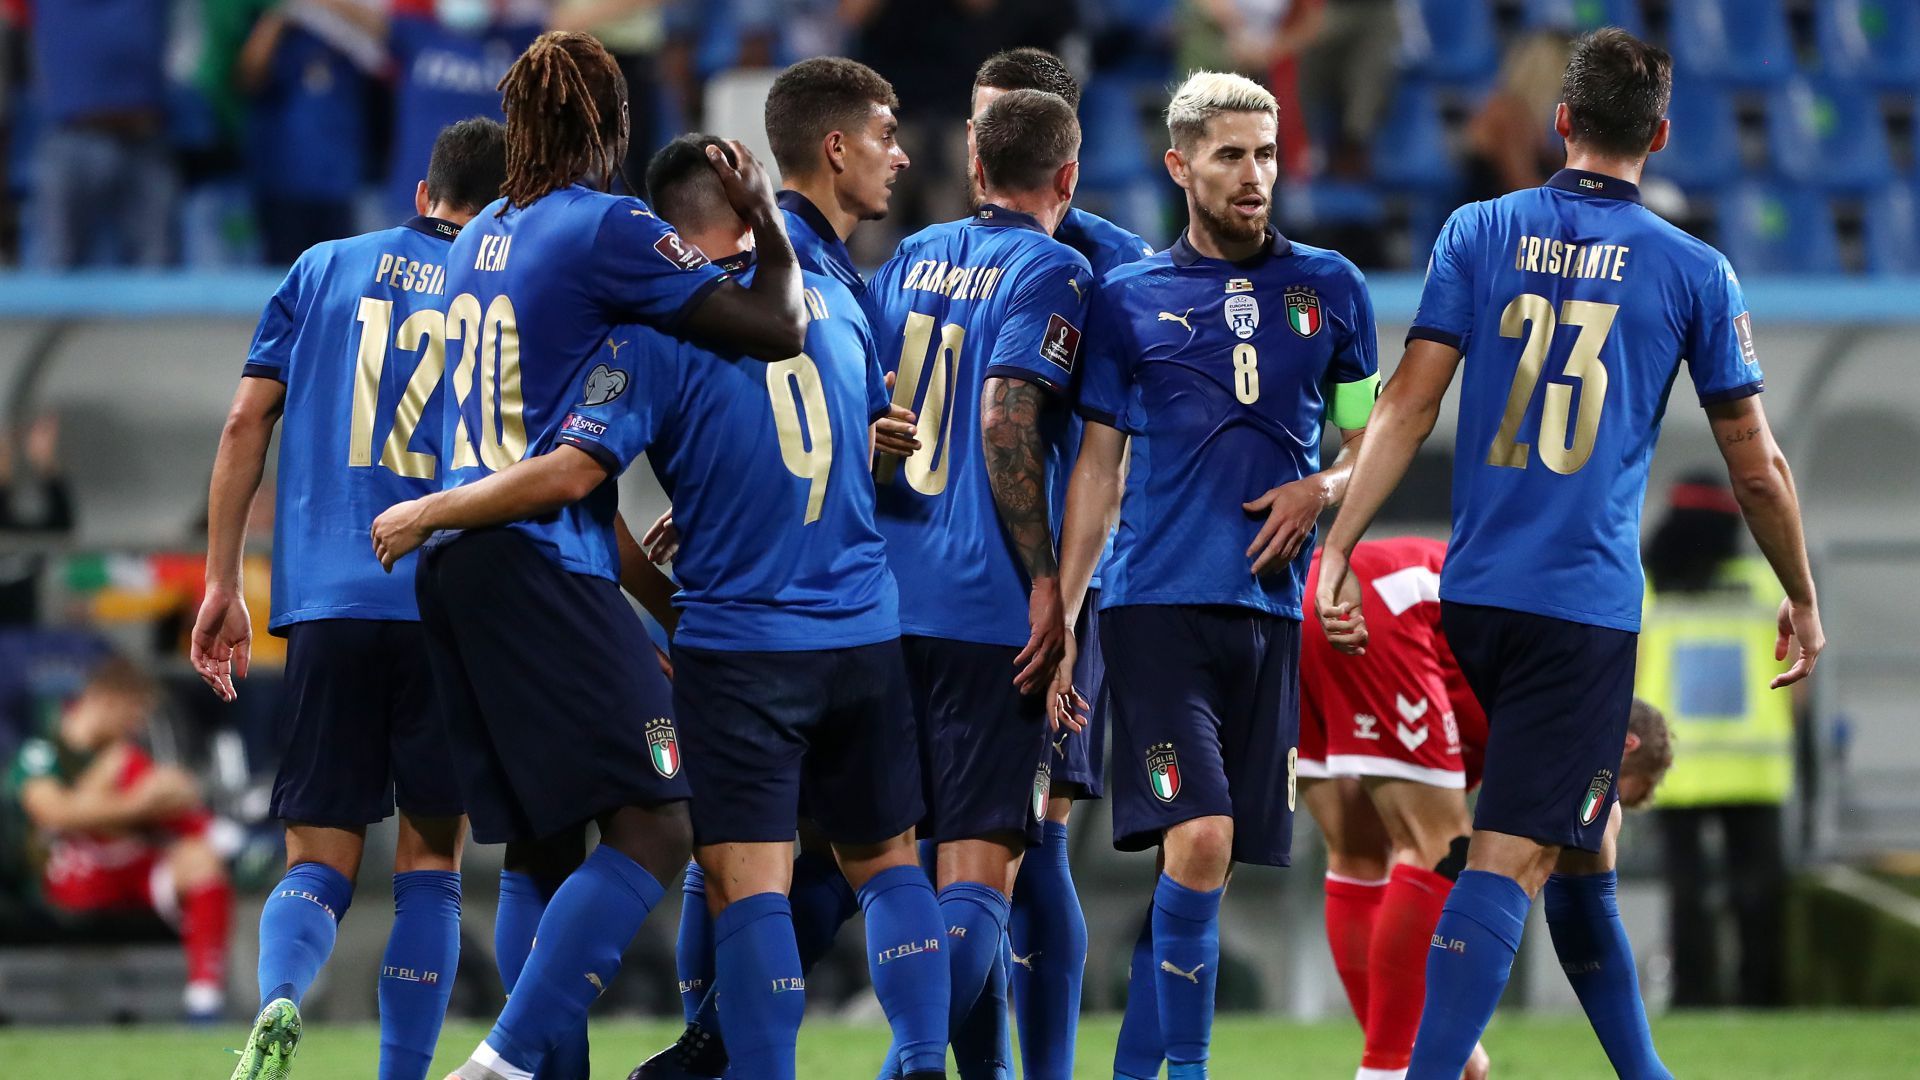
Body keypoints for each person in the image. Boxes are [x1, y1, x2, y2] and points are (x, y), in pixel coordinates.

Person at [1314, 29, 1824, 1080]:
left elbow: (1407, 405)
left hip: (1473, 592)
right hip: (1577, 607)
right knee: (1510, 858)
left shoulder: (1477, 229)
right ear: (1661, 136)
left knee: (1585, 851)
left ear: (1561, 122)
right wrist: (1802, 594)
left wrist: (1339, 545)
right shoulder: (1694, 269)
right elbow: (1758, 467)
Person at [365, 30, 807, 1080]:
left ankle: (536, 1072)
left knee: (544, 843)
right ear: (608, 123)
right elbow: (774, 325)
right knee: (658, 819)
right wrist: (767, 220)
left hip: (463, 569)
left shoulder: (481, 234)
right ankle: (504, 1062)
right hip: (536, 560)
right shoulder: (608, 224)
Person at [605, 134, 953, 1080]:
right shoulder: (834, 299)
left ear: (670, 229)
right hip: (863, 630)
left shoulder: (664, 324)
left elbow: (585, 488)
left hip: (742, 638)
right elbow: (864, 452)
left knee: (744, 878)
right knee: (887, 862)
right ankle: (925, 1061)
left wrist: (668, 600)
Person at [1051, 70, 1377, 1080]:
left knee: (1209, 861)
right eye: (1231, 154)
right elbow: (1096, 470)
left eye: (1266, 154)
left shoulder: (1333, 288)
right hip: (1153, 608)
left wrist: (1323, 492)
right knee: (1198, 839)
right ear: (1179, 165)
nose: (1254, 174)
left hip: (1271, 615)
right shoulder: (1126, 299)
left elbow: (1370, 439)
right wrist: (1063, 616)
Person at [191, 116, 507, 1080]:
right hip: (449, 605)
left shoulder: (323, 267)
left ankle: (281, 995)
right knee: (431, 868)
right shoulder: (507, 289)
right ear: (508, 208)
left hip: (330, 603)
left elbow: (245, 421)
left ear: (422, 193)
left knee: (315, 859)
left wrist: (221, 581)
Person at [864, 86, 1090, 1080]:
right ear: (1068, 177)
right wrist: (1045, 580)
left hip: (884, 601)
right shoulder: (1055, 268)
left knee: (910, 866)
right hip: (987, 610)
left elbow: (862, 398)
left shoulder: (911, 256)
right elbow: (1007, 417)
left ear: (975, 167)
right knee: (982, 868)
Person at [962, 45, 1155, 1080]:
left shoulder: (1112, 267)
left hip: (1064, 590)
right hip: (957, 585)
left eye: (1004, 123)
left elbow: (1124, 443)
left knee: (1033, 837)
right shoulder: (952, 248)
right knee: (965, 845)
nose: (985, 146)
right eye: (978, 123)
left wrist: (1073, 597)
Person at [1297, 537, 1488, 1080]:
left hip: (1304, 598)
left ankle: (1394, 1057)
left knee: (1357, 851)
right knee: (1440, 845)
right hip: (1379, 607)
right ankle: (1388, 1067)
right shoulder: (1558, 717)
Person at [1639, 475, 1796, 1008]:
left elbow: (1628, 674)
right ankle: (1763, 999)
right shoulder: (1765, 585)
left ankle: (1694, 998)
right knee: (1759, 894)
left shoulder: (1650, 588)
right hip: (1755, 769)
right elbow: (1798, 683)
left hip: (1676, 768)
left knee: (1686, 895)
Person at [6, 657, 234, 1022]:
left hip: (128, 863)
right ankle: (216, 831)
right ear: (107, 700)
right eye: (133, 712)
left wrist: (139, 800)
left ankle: (203, 1000)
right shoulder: (44, 752)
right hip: (68, 871)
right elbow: (54, 812)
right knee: (125, 766)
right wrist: (138, 804)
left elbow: (179, 790)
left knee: (201, 860)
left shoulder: (119, 753)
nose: (136, 724)